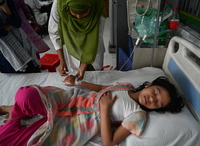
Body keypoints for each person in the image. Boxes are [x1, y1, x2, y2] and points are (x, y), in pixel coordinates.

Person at [0, 76, 184, 145]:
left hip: (75, 124)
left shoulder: (139, 115)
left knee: (15, 141)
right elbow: (102, 88)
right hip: (70, 102)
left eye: (158, 104)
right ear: (150, 84)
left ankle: (14, 114)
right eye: (156, 92)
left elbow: (109, 142)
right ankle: (12, 111)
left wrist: (104, 110)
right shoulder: (126, 85)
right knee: (27, 95)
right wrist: (78, 83)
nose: (152, 99)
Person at [48, 0, 107, 80]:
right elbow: (54, 32)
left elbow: (97, 38)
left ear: (91, 7)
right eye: (74, 12)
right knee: (75, 75)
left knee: (95, 77)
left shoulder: (97, 6)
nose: (79, 17)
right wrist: (62, 60)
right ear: (67, 8)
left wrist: (84, 65)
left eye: (83, 13)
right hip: (71, 45)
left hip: (92, 46)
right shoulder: (60, 2)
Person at [0, 0, 40, 73]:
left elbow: (17, 22)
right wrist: (11, 25)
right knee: (16, 81)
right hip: (5, 53)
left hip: (22, 45)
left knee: (34, 77)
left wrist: (2, 3)